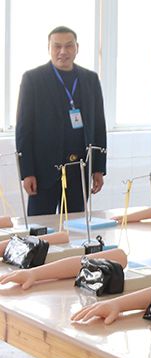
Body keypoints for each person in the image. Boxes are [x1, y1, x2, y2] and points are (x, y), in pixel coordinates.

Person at [15, 26, 107, 216]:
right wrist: (27, 172)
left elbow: (99, 125)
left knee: (75, 225)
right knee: (40, 227)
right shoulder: (33, 79)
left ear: (77, 48)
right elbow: (24, 129)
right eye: (57, 46)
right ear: (49, 48)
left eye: (69, 46)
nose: (63, 51)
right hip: (43, 171)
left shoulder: (90, 79)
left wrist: (98, 168)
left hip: (79, 170)